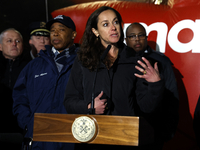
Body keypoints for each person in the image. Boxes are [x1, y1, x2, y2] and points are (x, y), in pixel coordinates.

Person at [64, 6, 165, 150]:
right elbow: (69, 101)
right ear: (95, 31)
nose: (113, 28)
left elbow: (146, 107)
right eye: (106, 24)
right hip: (92, 139)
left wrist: (155, 84)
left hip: (125, 139)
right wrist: (89, 107)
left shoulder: (134, 60)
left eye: (116, 22)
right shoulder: (83, 60)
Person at [12, 15, 78, 150]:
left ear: (73, 34)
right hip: (38, 141)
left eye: (61, 29)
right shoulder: (34, 66)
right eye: (52, 30)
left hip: (72, 141)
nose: (55, 33)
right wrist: (28, 123)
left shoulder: (84, 63)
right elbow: (19, 97)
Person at [125, 22, 179, 148]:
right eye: (132, 36)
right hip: (124, 128)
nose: (137, 39)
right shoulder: (119, 61)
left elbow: (172, 97)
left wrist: (168, 130)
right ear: (126, 40)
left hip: (154, 130)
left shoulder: (161, 61)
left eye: (141, 35)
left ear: (146, 37)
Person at [0, 28, 30, 149]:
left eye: (18, 41)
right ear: (0, 46)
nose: (14, 44)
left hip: (21, 128)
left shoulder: (31, 66)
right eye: (9, 41)